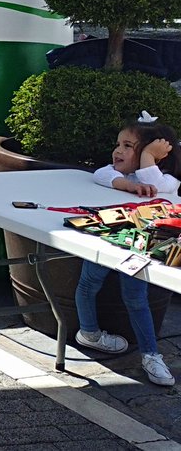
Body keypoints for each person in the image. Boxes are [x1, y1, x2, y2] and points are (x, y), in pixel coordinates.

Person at [77, 113, 179, 386]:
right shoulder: (116, 175)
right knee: (89, 283)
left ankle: (150, 355)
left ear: (156, 157)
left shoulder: (166, 182)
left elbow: (156, 187)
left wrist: (147, 159)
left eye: (128, 146)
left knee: (135, 296)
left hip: (135, 246)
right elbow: (102, 175)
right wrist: (131, 184)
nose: (118, 151)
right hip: (105, 237)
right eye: (118, 144)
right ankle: (88, 332)